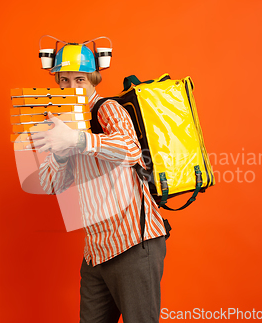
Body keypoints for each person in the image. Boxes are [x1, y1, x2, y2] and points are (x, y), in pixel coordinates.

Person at [29, 43, 167, 323]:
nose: (72, 86)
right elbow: (49, 184)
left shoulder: (108, 109)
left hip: (132, 243)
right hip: (96, 251)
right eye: (65, 80)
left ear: (92, 79)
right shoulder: (61, 125)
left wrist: (80, 141)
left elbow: (130, 150)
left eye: (80, 79)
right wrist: (60, 149)